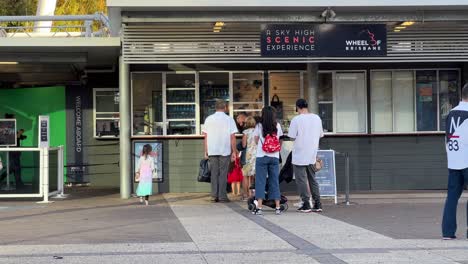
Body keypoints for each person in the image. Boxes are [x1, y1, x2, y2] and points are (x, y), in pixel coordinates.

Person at [442, 84, 468, 240]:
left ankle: (447, 232)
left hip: (454, 159)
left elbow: (447, 138)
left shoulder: (451, 114)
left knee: (452, 197)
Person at [288, 99, 324, 213]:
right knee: (312, 179)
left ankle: (306, 204)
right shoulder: (317, 118)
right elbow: (320, 135)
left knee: (301, 180)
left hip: (299, 153)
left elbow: (292, 137)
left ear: (297, 107)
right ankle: (318, 203)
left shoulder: (296, 119)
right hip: (312, 152)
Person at [203, 99, 238, 203]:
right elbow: (232, 137)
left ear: (215, 108)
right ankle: (222, 196)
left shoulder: (209, 119)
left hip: (212, 149)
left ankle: (213, 195)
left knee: (214, 173)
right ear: (225, 108)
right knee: (223, 173)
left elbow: (205, 136)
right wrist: (234, 151)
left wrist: (205, 151)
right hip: (225, 149)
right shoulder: (229, 119)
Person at [252, 106, 283, 215]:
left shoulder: (259, 126)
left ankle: (259, 207)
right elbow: (280, 140)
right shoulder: (277, 125)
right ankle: (278, 207)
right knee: (274, 181)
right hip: (274, 157)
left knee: (260, 181)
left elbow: (255, 140)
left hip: (262, 156)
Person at [241, 116, 257, 200]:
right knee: (255, 176)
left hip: (248, 156)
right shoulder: (257, 131)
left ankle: (245, 195)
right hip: (256, 156)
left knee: (245, 176)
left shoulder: (245, 132)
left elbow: (243, 145)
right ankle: (254, 194)